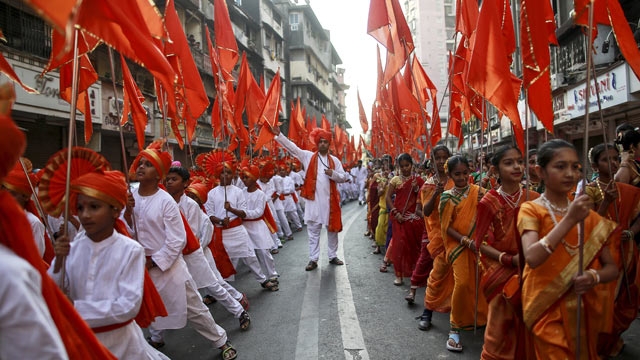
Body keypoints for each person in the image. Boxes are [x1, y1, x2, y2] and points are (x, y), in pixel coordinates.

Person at [126, 146, 237, 359]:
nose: (141, 167)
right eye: (140, 163)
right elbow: (128, 231)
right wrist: (126, 211)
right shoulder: (131, 197)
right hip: (141, 265)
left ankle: (220, 340)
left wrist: (155, 262)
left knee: (194, 308)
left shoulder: (165, 200)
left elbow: (177, 239)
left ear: (159, 173)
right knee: (147, 308)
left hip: (169, 267)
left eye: (148, 164)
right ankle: (155, 340)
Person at [50, 170, 169, 359]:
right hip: (80, 341)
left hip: (121, 344)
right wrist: (59, 261)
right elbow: (51, 289)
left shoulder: (130, 250)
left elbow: (128, 306)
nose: (85, 215)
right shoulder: (71, 248)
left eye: (94, 207)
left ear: (115, 210)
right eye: (80, 208)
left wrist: (75, 308)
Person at [518, 139, 619, 359]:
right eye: (560, 166)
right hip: (544, 306)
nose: (570, 173)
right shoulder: (531, 209)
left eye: (575, 167)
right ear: (540, 171)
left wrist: (593, 276)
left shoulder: (588, 216)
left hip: (583, 311)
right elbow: (532, 258)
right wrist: (570, 219)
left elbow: (612, 269)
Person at [165, 166, 251, 331]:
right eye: (167, 179)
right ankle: (156, 337)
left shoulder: (190, 206)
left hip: (195, 253)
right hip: (175, 256)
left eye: (173, 179)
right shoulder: (166, 203)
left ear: (185, 183)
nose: (169, 182)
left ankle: (239, 311)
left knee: (214, 285)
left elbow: (192, 235)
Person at [475, 146, 539, 359]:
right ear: (495, 170)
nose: (517, 166)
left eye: (519, 162)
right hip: (499, 270)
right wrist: (509, 259)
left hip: (532, 268)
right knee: (499, 330)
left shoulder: (534, 197)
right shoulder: (488, 201)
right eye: (509, 163)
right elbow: (480, 242)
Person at [585, 143, 640, 357]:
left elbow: (637, 217)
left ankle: (615, 339)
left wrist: (631, 232)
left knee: (627, 299)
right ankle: (599, 345)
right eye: (606, 159)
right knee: (604, 303)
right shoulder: (589, 190)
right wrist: (606, 201)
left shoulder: (626, 188)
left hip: (627, 251)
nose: (613, 162)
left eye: (616, 158)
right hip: (603, 254)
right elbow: (590, 225)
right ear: (594, 165)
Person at [273, 126, 351, 271]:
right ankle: (313, 259)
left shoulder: (335, 161)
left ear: (329, 144)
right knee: (313, 232)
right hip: (313, 202)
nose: (322, 144)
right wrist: (280, 135)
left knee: (332, 231)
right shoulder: (308, 156)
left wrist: (333, 173)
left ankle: (333, 256)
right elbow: (293, 148)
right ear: (317, 143)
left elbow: (344, 177)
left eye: (325, 142)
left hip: (330, 203)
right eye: (320, 141)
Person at [203, 150, 279, 291]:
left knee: (250, 256)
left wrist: (231, 209)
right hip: (221, 232)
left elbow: (243, 211)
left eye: (228, 172)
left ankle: (263, 280)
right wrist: (220, 221)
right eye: (222, 172)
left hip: (238, 230)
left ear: (233, 175)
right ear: (217, 175)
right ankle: (224, 288)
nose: (225, 175)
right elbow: (209, 213)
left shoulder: (238, 192)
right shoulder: (211, 193)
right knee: (225, 259)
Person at [439, 155, 488, 352]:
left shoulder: (480, 192)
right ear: (450, 174)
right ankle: (454, 329)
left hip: (480, 245)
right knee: (463, 283)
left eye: (465, 173)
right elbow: (446, 227)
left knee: (482, 283)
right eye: (457, 174)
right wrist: (465, 240)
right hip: (458, 246)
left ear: (470, 171)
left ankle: (482, 320)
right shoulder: (447, 197)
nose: (462, 177)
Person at [416, 145, 454, 330]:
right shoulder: (429, 185)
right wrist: (437, 193)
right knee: (437, 275)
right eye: (437, 158)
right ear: (432, 160)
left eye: (444, 157)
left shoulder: (458, 179)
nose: (441, 161)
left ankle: (460, 318)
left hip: (460, 236)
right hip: (441, 237)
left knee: (462, 279)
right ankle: (427, 312)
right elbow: (426, 211)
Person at [385, 153, 424, 287]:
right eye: (402, 167)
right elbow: (388, 198)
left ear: (412, 165)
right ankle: (399, 275)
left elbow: (423, 198)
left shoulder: (418, 180)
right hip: (399, 218)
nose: (405, 168)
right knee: (399, 246)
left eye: (407, 165)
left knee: (414, 245)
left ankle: (414, 273)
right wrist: (395, 213)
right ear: (398, 167)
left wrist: (416, 189)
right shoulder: (395, 180)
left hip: (413, 219)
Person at [240, 164, 280, 283]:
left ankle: (272, 274)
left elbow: (258, 212)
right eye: (243, 177)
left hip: (257, 226)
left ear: (254, 178)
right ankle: (261, 278)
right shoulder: (241, 192)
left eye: (247, 177)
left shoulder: (260, 194)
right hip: (244, 227)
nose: (244, 180)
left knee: (263, 251)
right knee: (249, 253)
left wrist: (243, 213)